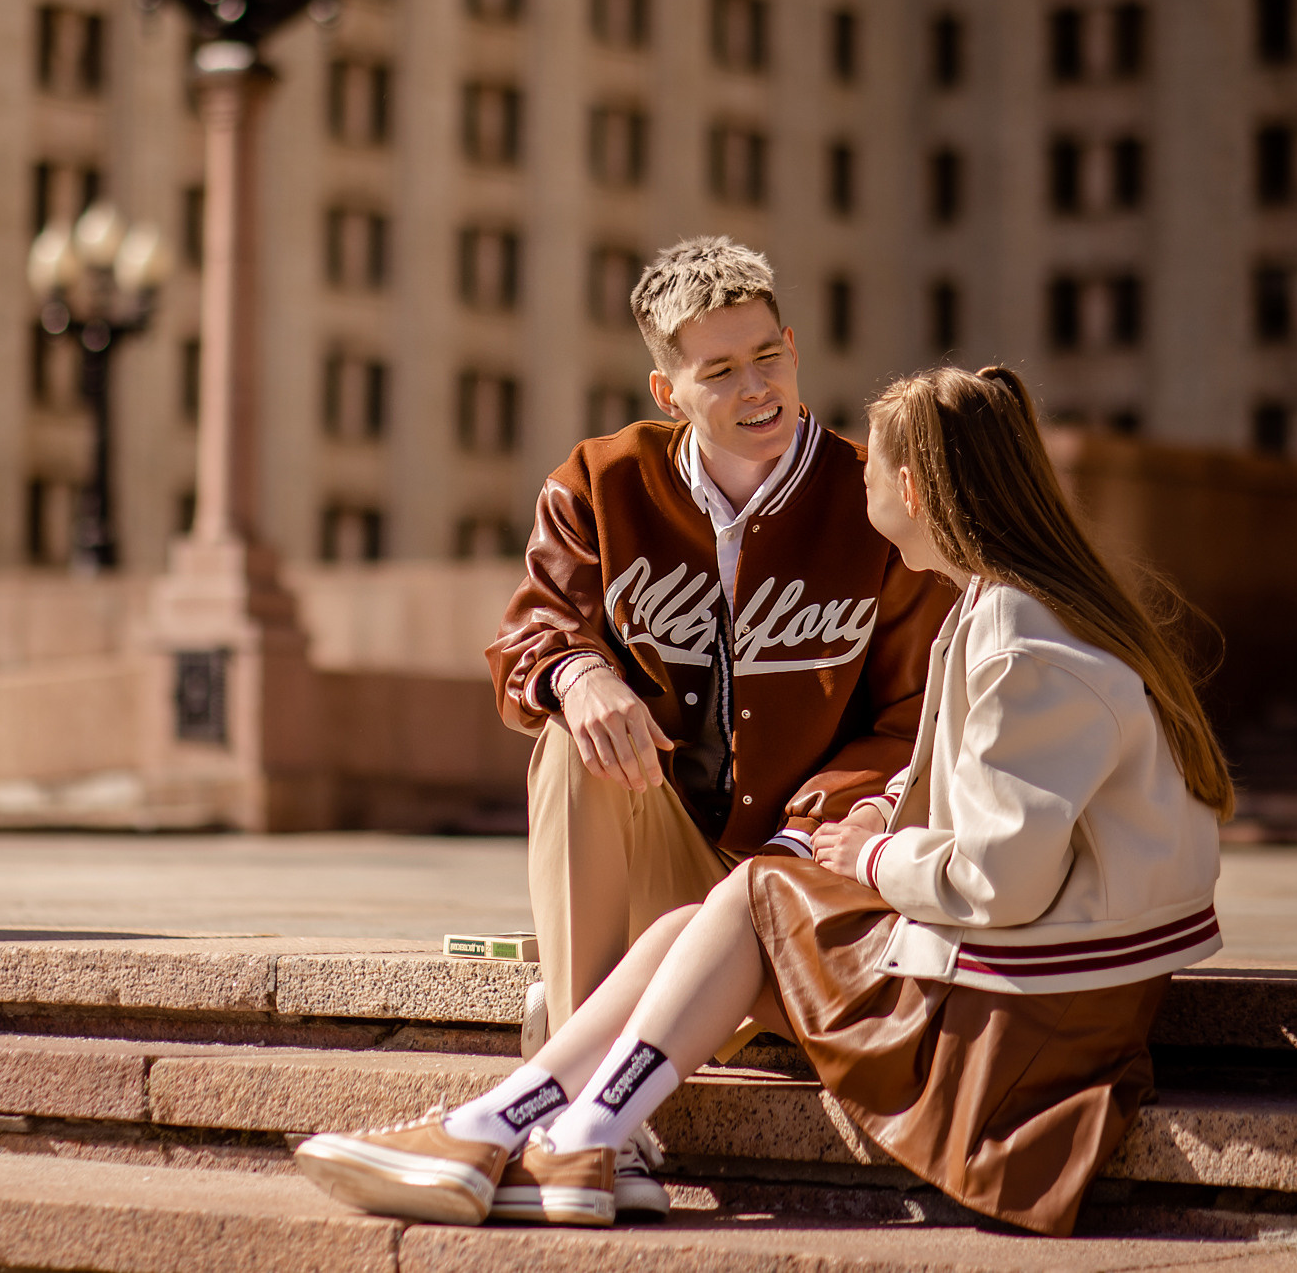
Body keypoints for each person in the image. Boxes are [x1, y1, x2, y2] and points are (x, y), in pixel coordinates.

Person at [295, 364, 1233, 1237]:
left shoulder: (1025, 638)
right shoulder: (1004, 608)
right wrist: (880, 815)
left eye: (876, 463)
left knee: (751, 896)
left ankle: (551, 1133)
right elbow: (987, 799)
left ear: (912, 492)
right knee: (715, 914)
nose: (855, 474)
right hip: (1021, 980)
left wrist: (864, 859)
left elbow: (1000, 880)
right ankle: (541, 1131)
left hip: (1025, 1025)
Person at [479, 237, 957, 1211]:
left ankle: (573, 1061)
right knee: (571, 736)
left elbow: (916, 721)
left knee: (731, 892)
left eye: (767, 357)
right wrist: (576, 674)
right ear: (668, 390)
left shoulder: (875, 500)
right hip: (663, 850)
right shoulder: (599, 481)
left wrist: (801, 839)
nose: (757, 390)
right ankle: (603, 1128)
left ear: (791, 345)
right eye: (720, 371)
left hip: (802, 879)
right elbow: (531, 631)